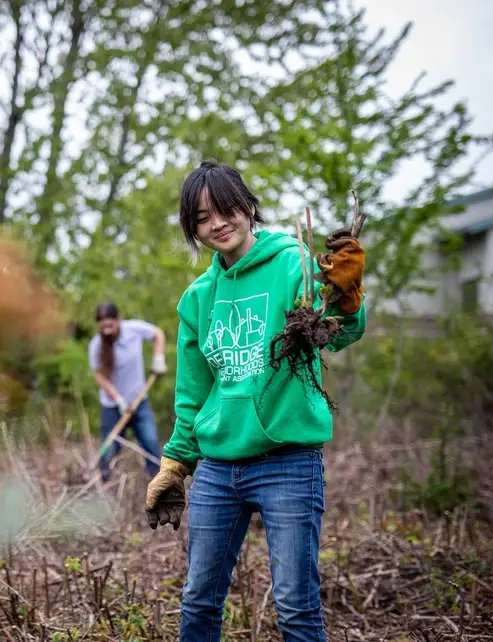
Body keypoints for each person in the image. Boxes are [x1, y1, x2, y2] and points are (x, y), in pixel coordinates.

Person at [143, 160, 368, 642]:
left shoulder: (292, 264)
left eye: (225, 209)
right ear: (191, 229)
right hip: (218, 469)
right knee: (198, 601)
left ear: (247, 206)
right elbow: (193, 392)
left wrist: (347, 297)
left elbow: (338, 331)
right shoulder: (197, 298)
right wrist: (176, 463)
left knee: (295, 607)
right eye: (201, 219)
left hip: (288, 462)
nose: (217, 224)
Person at [87, 302, 168, 482]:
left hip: (139, 402)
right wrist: (119, 400)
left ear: (119, 320)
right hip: (113, 407)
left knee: (151, 443)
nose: (107, 330)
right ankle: (105, 484)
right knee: (109, 451)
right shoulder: (96, 345)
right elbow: (100, 377)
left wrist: (159, 358)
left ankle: (158, 484)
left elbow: (158, 334)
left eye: (110, 325)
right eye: (103, 327)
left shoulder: (134, 330)